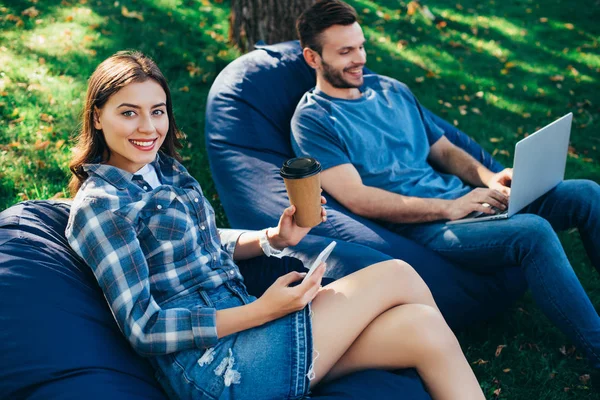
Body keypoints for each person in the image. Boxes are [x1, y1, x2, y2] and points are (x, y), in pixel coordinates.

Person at [65, 51, 485, 400]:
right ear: (98, 117)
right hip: (215, 367)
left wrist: (272, 239)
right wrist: (261, 310)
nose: (148, 127)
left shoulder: (166, 172)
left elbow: (204, 241)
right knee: (396, 274)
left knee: (422, 328)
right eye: (129, 113)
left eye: (157, 111)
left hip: (248, 325)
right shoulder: (103, 207)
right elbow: (144, 328)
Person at [291, 0, 600, 374]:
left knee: (586, 193)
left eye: (361, 46)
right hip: (432, 227)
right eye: (345, 52)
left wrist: (490, 177)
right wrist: (449, 208)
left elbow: (444, 150)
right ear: (312, 58)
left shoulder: (391, 89)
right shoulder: (313, 120)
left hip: (468, 203)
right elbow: (359, 198)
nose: (360, 58)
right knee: (533, 232)